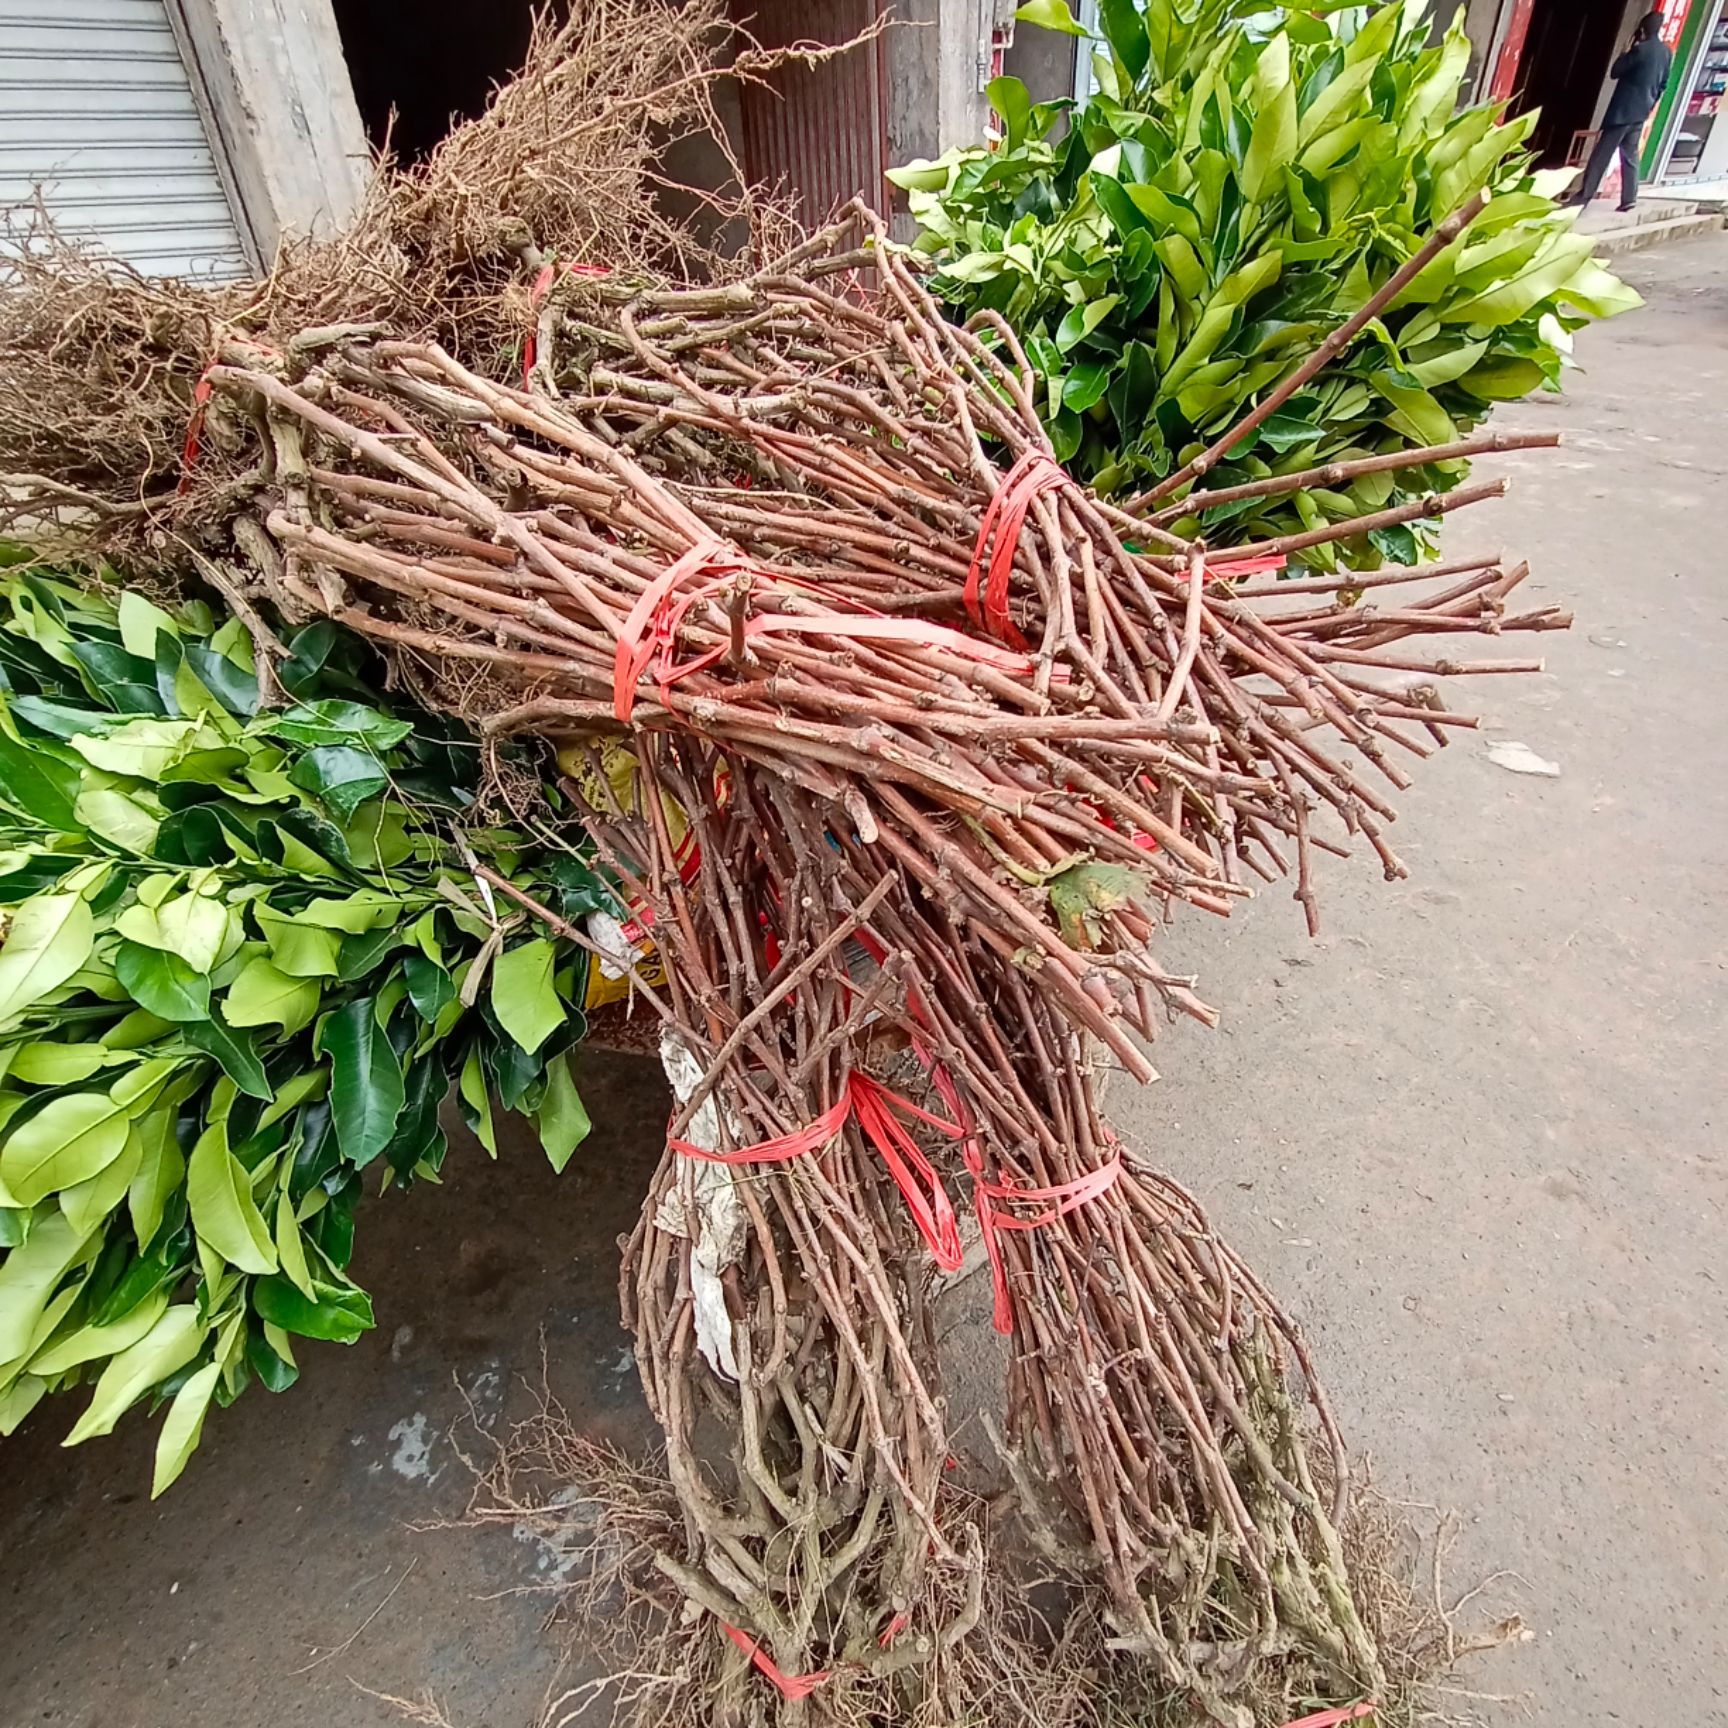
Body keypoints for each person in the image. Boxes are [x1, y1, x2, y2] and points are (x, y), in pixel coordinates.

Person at [1567, 12, 1674, 212]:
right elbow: (1663, 85)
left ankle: (1584, 196)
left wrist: (1625, 52)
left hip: (1622, 113)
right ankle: (1629, 198)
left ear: (1643, 29)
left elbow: (1615, 72)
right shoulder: (1666, 53)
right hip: (1640, 113)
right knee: (1631, 156)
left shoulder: (1639, 50)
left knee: (1601, 155)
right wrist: (1649, 105)